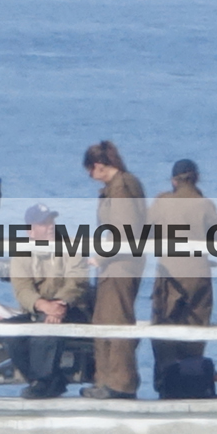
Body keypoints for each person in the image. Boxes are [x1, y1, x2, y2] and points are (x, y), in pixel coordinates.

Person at [148, 159, 217, 395]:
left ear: (174, 181)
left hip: (169, 278)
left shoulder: (162, 203)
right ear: (197, 178)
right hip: (198, 277)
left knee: (164, 333)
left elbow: (145, 232)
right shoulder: (204, 205)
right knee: (195, 333)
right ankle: (191, 385)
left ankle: (167, 386)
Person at [5, 203, 91, 399]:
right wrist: (43, 305)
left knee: (46, 329)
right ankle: (47, 380)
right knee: (8, 332)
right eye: (44, 223)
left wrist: (60, 304)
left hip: (73, 309)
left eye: (51, 221)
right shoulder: (21, 252)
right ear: (31, 230)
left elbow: (77, 281)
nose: (50, 226)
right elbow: (22, 288)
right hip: (38, 309)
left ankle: (43, 383)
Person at [83, 140, 146, 400]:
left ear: (99, 166)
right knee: (103, 319)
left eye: (90, 170)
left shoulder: (121, 188)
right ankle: (106, 380)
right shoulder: (121, 185)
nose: (90, 177)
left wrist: (101, 256)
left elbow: (124, 230)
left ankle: (120, 384)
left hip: (120, 264)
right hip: (118, 262)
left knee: (116, 321)